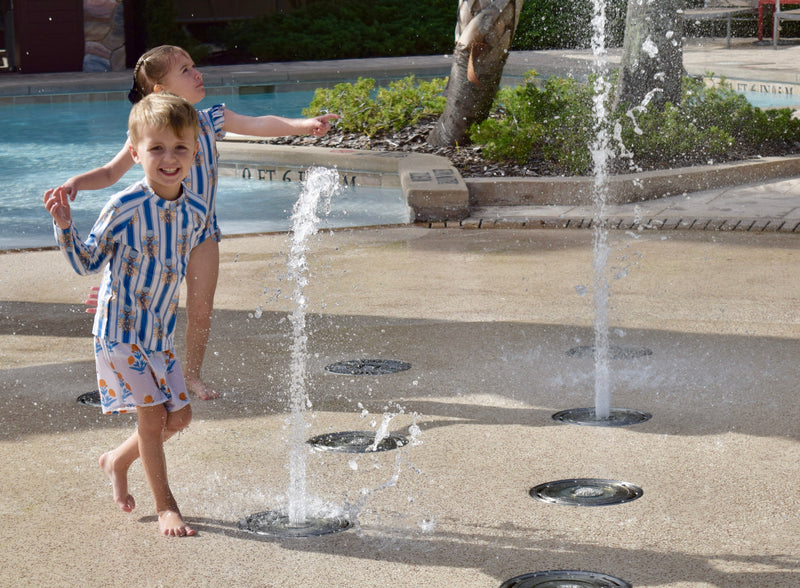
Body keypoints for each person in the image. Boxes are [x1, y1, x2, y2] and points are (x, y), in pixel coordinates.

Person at [45, 45, 338, 401]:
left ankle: (192, 375)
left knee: (201, 307)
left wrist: (303, 125)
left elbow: (257, 124)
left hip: (200, 233)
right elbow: (111, 171)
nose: (197, 73)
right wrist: (77, 181)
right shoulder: (146, 135)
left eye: (194, 66)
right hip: (156, 230)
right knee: (149, 296)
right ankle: (128, 337)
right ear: (162, 91)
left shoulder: (208, 120)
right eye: (185, 70)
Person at [44, 92, 209, 537]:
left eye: (179, 148)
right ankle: (166, 507)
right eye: (156, 148)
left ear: (195, 151)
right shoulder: (123, 206)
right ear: (135, 154)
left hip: (159, 333)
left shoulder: (195, 210)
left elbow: (166, 265)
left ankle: (116, 459)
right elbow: (87, 262)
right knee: (153, 418)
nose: (169, 158)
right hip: (120, 332)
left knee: (181, 418)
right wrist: (64, 226)